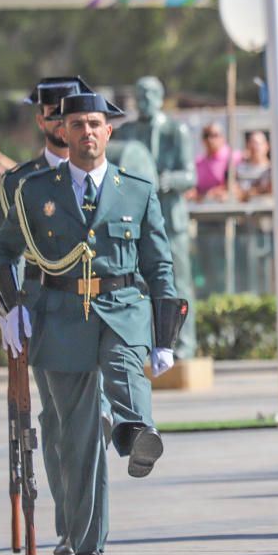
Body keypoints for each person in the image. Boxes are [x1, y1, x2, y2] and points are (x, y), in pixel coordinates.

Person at [0, 92, 184, 555]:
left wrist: (165, 337)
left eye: (95, 123)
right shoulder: (34, 191)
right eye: (77, 124)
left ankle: (138, 432)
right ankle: (89, 550)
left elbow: (159, 265)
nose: (87, 132)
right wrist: (9, 306)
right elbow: (2, 250)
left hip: (121, 312)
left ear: (109, 131)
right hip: (59, 318)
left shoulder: (136, 190)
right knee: (78, 443)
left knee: (125, 376)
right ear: (63, 131)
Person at [0, 76, 92, 555]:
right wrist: (9, 307)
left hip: (97, 310)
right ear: (40, 119)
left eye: (63, 113)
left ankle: (88, 533)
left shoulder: (103, 174)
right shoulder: (18, 182)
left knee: (89, 420)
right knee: (56, 421)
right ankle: (68, 525)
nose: (55, 121)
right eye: (48, 113)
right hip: (43, 311)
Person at [114, 76, 198, 360]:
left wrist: (168, 179)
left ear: (161, 98)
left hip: (170, 219)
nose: (144, 100)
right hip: (137, 221)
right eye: (140, 95)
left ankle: (184, 343)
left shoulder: (176, 131)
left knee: (179, 282)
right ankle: (148, 342)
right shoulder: (126, 132)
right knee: (139, 283)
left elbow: (190, 175)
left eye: (150, 95)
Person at [188, 122, 239, 200]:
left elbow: (237, 187)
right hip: (203, 208)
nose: (210, 139)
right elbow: (194, 188)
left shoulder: (234, 158)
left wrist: (214, 192)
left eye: (214, 135)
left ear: (223, 138)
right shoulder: (198, 163)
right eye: (206, 135)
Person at [235, 130, 272, 200]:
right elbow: (236, 192)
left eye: (258, 143)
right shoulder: (239, 169)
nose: (255, 147)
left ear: (267, 146)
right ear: (247, 145)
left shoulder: (274, 169)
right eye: (252, 143)